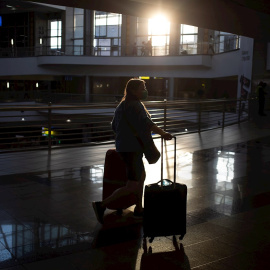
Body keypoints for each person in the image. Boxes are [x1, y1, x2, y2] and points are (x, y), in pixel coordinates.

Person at [92, 78, 173, 224]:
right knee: (133, 184)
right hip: (131, 149)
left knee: (141, 176)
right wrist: (163, 133)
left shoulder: (122, 106)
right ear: (133, 90)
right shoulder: (136, 105)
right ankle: (101, 205)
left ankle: (139, 208)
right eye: (142, 87)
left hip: (124, 147)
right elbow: (147, 123)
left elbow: (114, 127)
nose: (145, 90)